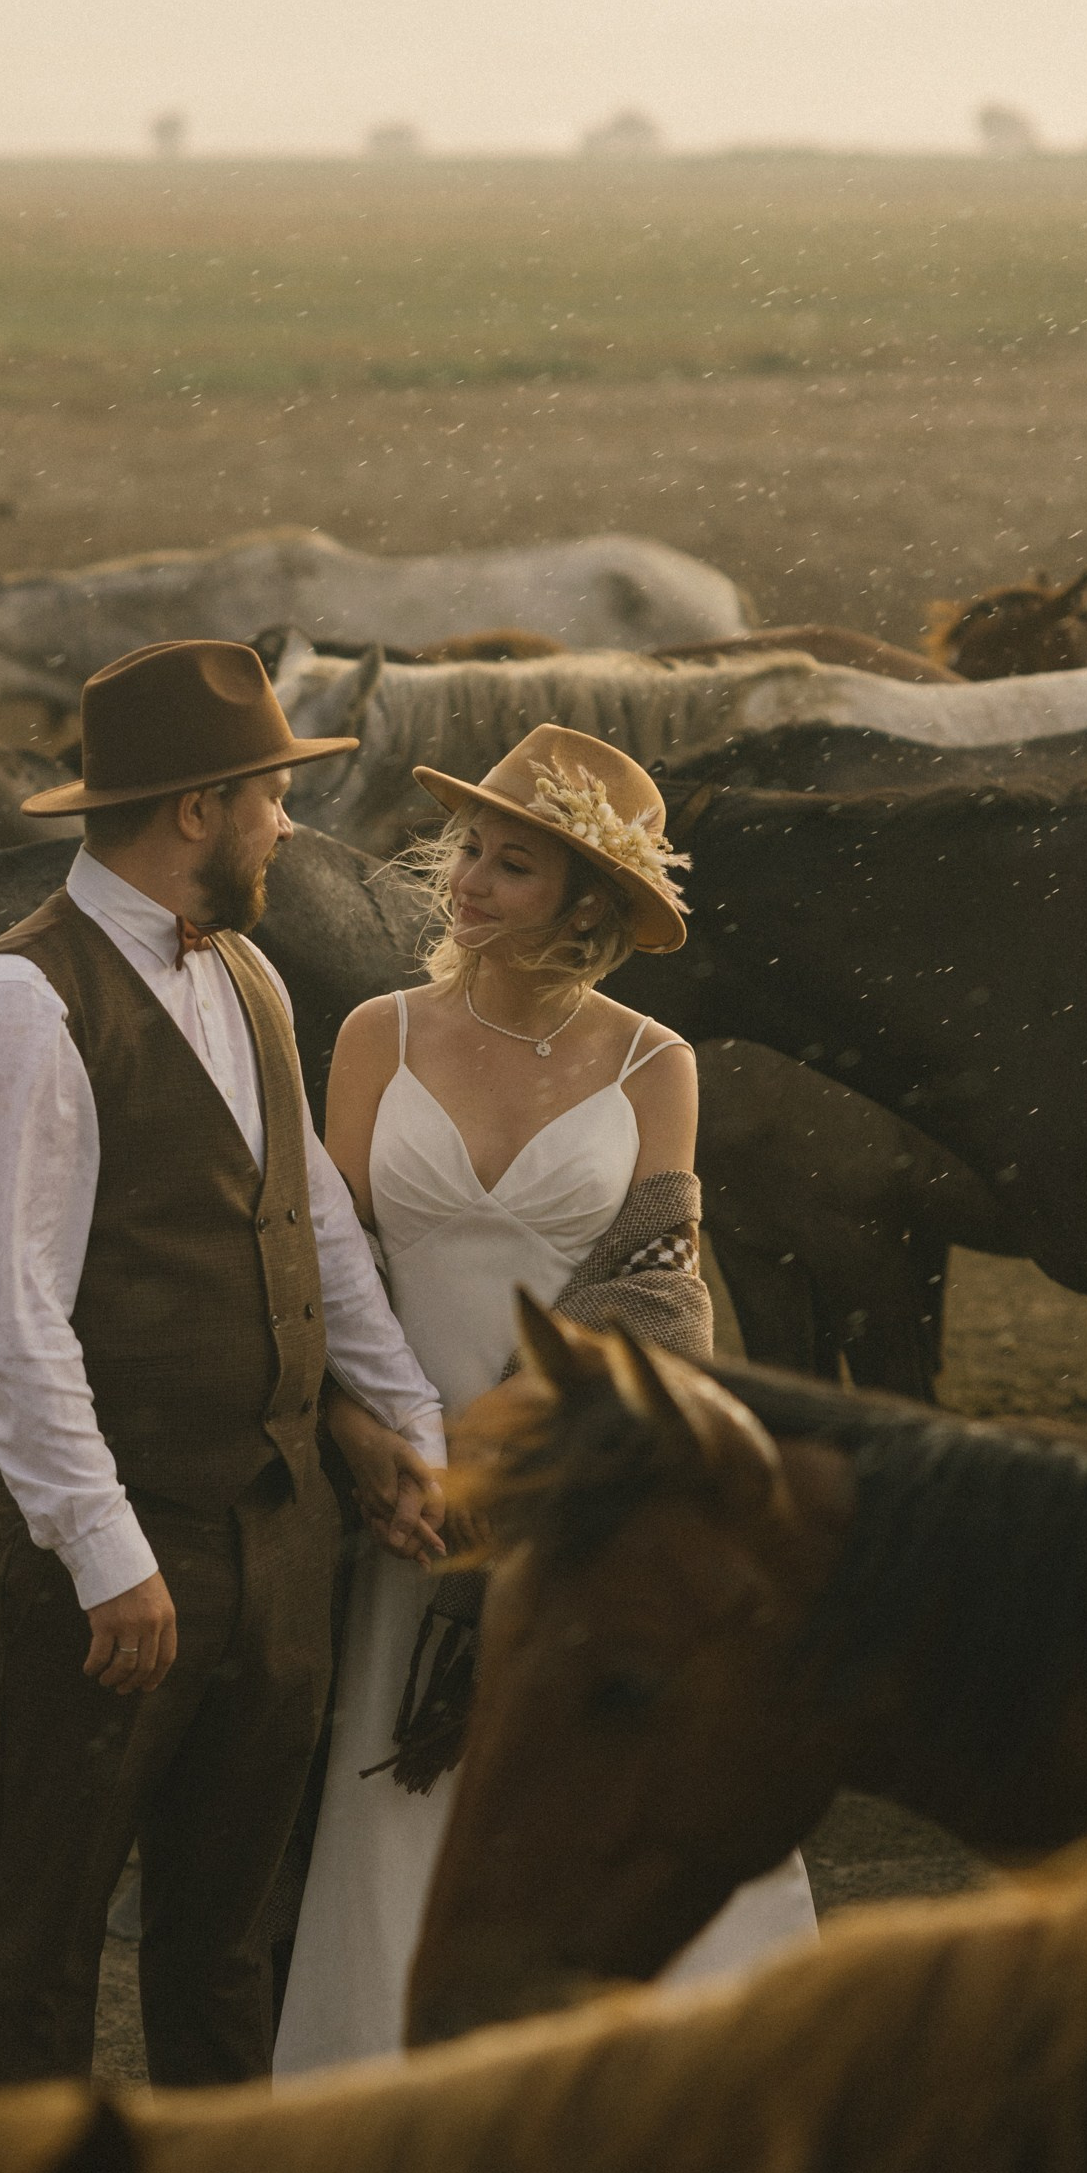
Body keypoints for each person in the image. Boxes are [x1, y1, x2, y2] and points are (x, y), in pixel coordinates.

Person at [0, 638, 447, 2089]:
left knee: (225, 1944)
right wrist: (106, 1557)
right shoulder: (19, 1005)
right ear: (199, 809)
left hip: (275, 1534)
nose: (290, 826)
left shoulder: (251, 973)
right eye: (273, 796)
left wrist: (403, 1424)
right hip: (116, 1554)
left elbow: (311, 1220)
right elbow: (12, 1313)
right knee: (41, 1946)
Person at [273, 724, 817, 2074]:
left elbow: (657, 1290)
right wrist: (372, 1435)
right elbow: (331, 1262)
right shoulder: (376, 1034)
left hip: (575, 1481)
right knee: (397, 1778)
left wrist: (512, 1457)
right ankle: (390, 2078)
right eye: (469, 849)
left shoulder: (654, 1064)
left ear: (587, 904)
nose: (466, 881)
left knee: (583, 1764)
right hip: (401, 1488)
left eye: (511, 865)